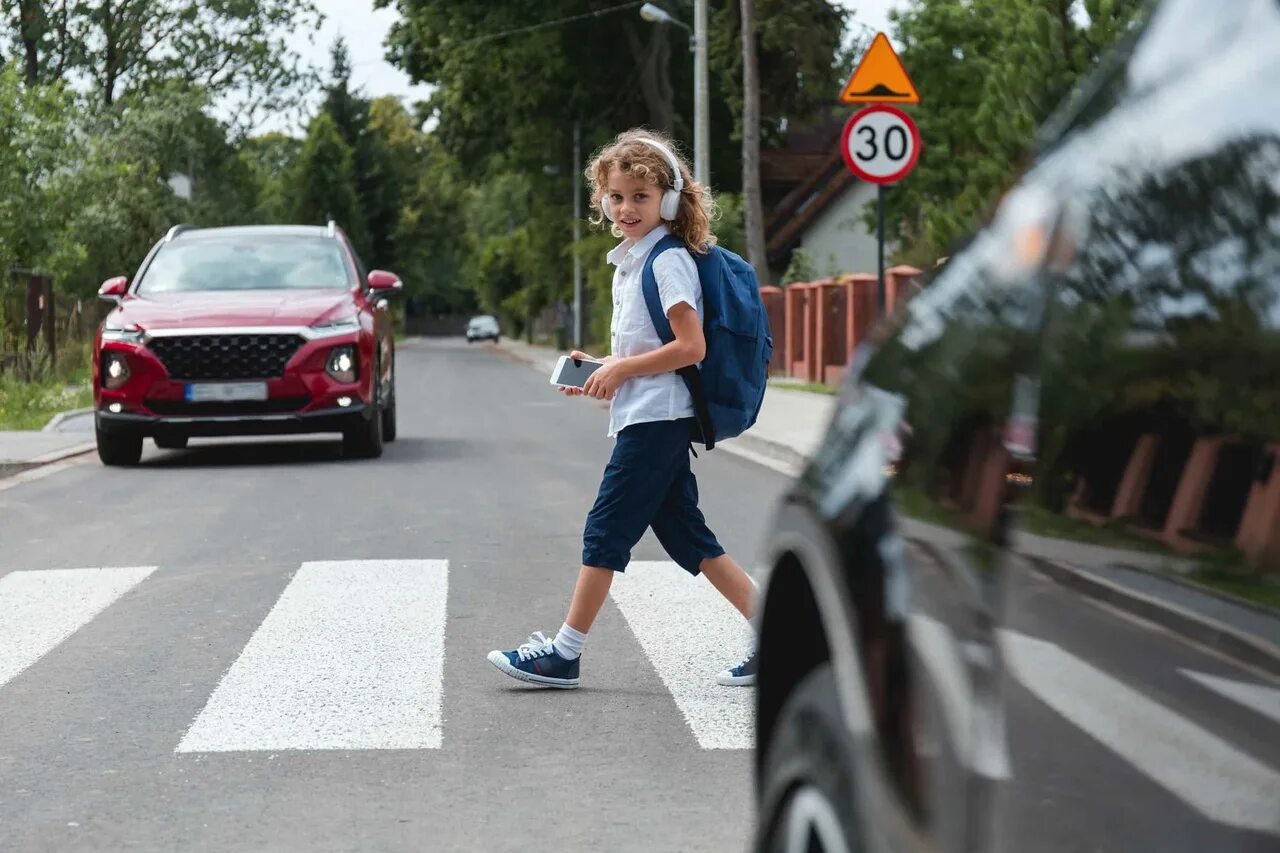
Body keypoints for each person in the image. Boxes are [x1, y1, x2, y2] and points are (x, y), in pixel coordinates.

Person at [486, 129, 759, 690]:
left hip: (658, 419)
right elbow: (648, 343)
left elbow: (691, 348)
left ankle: (564, 653)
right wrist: (604, 364)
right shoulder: (634, 261)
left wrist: (622, 371)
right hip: (648, 411)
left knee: (605, 530)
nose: (626, 207)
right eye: (616, 195)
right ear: (601, 199)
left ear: (667, 198)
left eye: (640, 195)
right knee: (689, 538)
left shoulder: (667, 261)